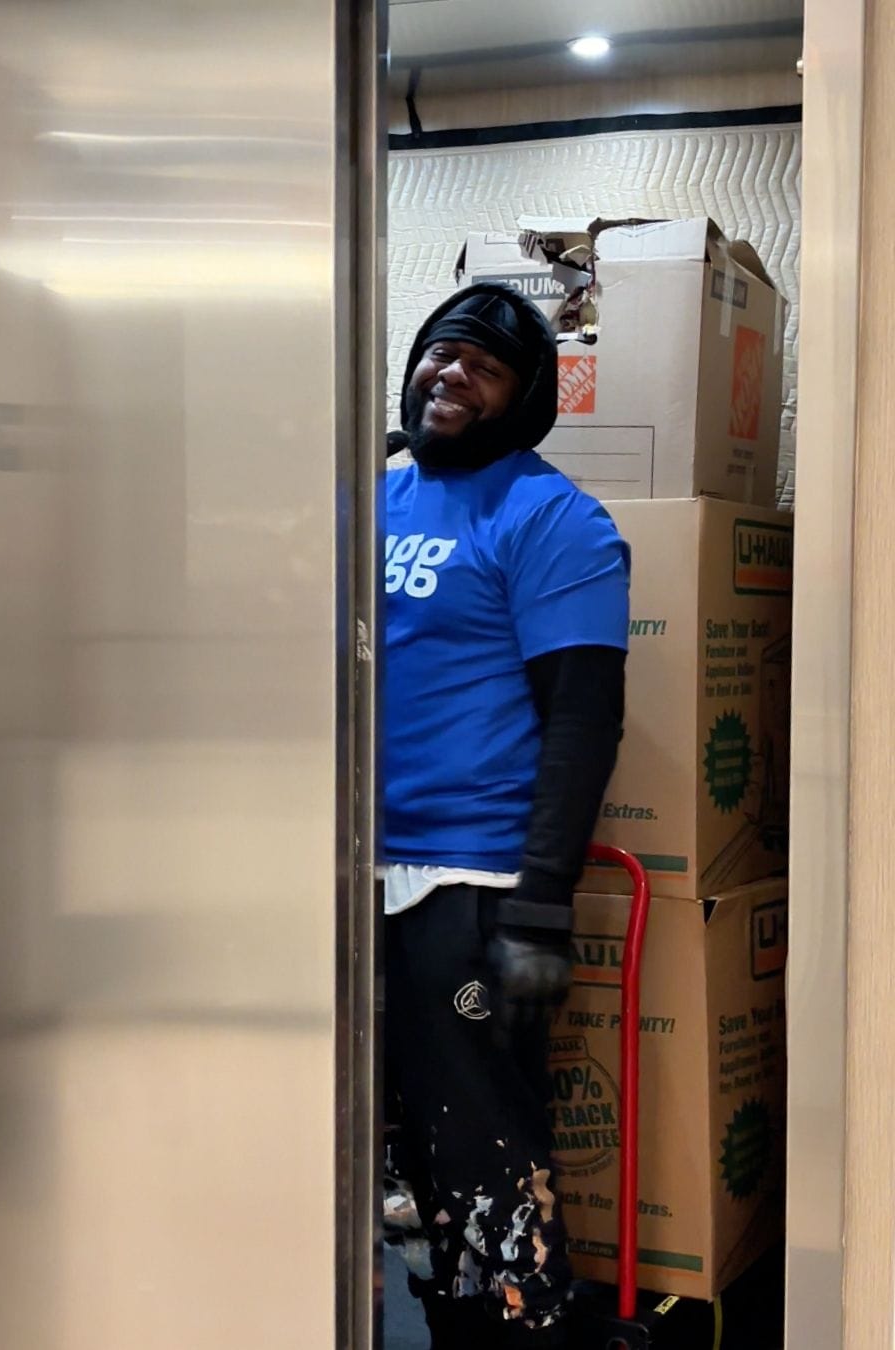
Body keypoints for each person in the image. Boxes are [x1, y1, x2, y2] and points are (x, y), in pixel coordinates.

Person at [383, 282, 630, 1348]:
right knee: (390, 1171)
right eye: (444, 353)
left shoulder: (555, 522)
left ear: (524, 402)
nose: (452, 376)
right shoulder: (374, 496)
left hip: (470, 887)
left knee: (484, 1167)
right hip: (353, 880)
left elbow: (582, 724)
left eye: (484, 368)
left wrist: (539, 909)